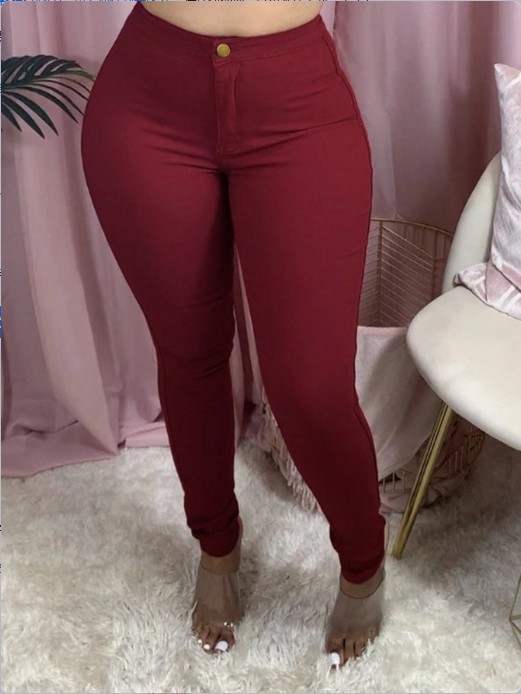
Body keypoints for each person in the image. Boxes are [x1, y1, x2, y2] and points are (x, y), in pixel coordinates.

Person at [80, 0, 388, 670]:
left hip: (298, 107)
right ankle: (216, 547)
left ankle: (364, 563)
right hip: (147, 102)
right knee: (189, 355)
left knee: (311, 388)